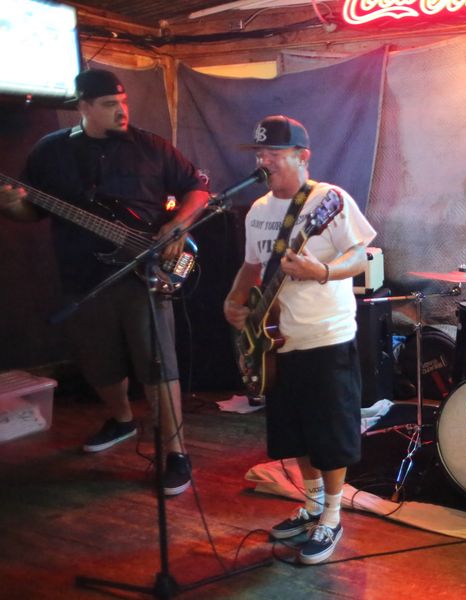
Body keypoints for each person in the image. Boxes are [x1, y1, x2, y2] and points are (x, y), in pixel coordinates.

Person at [0, 69, 208, 496]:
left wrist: (178, 224)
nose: (122, 110)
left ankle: (176, 453)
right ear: (84, 107)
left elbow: (198, 189)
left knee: (158, 364)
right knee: (98, 361)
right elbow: (31, 211)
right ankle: (121, 419)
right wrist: (9, 206)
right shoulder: (51, 151)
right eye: (110, 104)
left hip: (145, 273)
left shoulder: (151, 146)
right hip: (83, 277)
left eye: (124, 102)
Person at [223, 115, 376, 565]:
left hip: (326, 336)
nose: (263, 161)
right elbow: (252, 266)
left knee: (330, 435)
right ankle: (310, 504)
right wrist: (233, 301)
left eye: (273, 153)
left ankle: (332, 515)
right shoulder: (257, 210)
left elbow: (361, 255)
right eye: (259, 153)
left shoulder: (329, 200)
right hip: (276, 342)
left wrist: (322, 271)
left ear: (302, 156)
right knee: (297, 433)